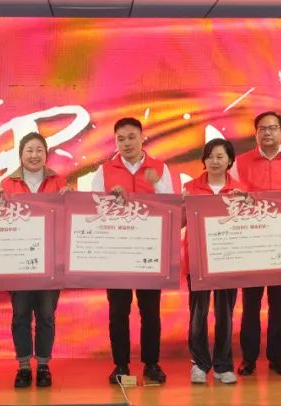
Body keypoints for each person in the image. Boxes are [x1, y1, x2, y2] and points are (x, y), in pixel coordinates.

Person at [91, 117, 174, 385]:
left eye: (131, 137)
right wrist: (109, 200)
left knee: (150, 312)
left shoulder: (159, 168)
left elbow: (170, 207)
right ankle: (121, 365)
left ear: (142, 137)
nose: (126, 143)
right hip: (117, 253)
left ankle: (151, 364)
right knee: (118, 312)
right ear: (115, 142)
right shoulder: (104, 171)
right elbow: (93, 209)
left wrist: (156, 184)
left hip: (150, 252)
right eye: (121, 139)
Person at [227, 111, 281, 377]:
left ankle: (277, 357)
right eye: (262, 128)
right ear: (256, 133)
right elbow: (231, 198)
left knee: (279, 303)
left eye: (273, 128)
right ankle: (248, 358)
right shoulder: (239, 162)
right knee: (250, 304)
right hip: (251, 243)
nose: (267, 133)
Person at [0, 132, 69, 388]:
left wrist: (71, 199)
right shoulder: (6, 184)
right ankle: (23, 366)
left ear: (46, 154)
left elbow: (69, 219)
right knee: (20, 315)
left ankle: (44, 365)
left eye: (39, 150)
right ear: (20, 155)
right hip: (19, 263)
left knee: (46, 316)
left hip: (50, 263)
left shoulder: (60, 182)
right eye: (29, 151)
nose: (34, 155)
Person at [182, 138, 246, 385]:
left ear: (230, 161)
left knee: (225, 315)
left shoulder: (240, 189)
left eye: (220, 156)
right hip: (198, 261)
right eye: (210, 156)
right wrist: (182, 204)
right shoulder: (190, 187)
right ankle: (199, 364)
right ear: (204, 160)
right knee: (198, 316)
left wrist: (248, 204)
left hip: (228, 260)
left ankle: (223, 365)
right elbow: (179, 223)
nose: (214, 161)